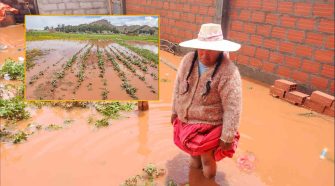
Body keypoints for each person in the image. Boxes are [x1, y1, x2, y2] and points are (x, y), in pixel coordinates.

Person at [171, 23, 242, 179]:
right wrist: (174, 111)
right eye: (202, 49)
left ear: (220, 50)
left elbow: (233, 107)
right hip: (187, 120)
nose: (205, 54)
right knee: (193, 156)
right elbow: (177, 86)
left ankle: (206, 182)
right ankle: (195, 180)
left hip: (209, 125)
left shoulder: (229, 71)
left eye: (211, 50)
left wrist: (227, 136)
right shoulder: (188, 61)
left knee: (207, 159)